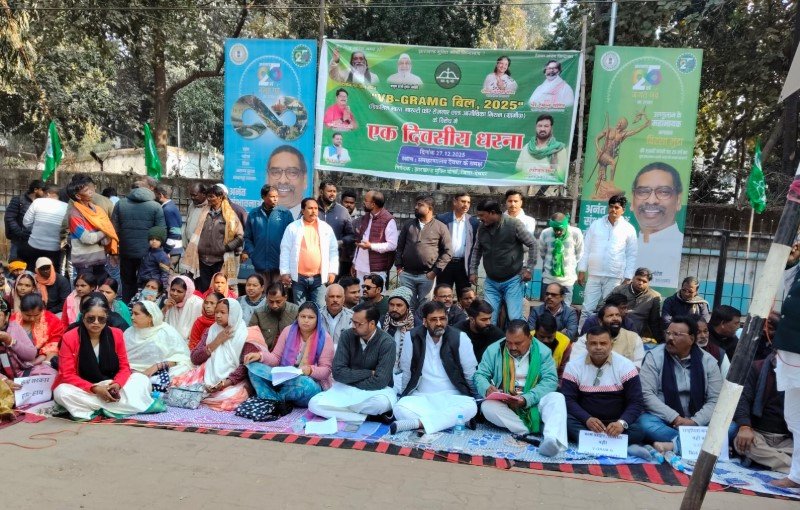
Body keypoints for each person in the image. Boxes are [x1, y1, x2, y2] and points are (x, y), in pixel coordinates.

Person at [53, 294, 159, 420]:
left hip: (110, 385)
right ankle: (123, 407)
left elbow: (124, 367)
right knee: (61, 392)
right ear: (83, 316)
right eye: (91, 319)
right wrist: (95, 389)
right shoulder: (70, 337)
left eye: (101, 319)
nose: (96, 323)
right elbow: (67, 374)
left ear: (107, 317)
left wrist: (117, 385)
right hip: (84, 388)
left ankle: (96, 409)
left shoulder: (116, 334)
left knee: (141, 379)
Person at [474, 320, 568, 457]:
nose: (512, 347)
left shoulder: (543, 352)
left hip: (534, 400)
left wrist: (526, 399)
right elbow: (480, 375)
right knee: (487, 406)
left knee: (557, 398)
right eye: (509, 342)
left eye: (518, 343)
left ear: (529, 338)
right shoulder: (494, 349)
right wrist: (486, 387)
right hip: (506, 403)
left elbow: (550, 381)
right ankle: (532, 429)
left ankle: (552, 440)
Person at [635, 316, 722, 453]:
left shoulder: (708, 361)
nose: (670, 338)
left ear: (691, 339)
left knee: (730, 427)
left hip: (698, 421)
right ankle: (699, 444)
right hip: (665, 420)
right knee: (644, 424)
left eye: (676, 334)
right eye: (668, 333)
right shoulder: (654, 357)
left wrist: (694, 422)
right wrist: (675, 418)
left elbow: (715, 400)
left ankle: (673, 445)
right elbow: (646, 394)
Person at [561, 327, 650, 459]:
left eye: (603, 343)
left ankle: (592, 443)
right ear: (586, 345)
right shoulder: (573, 366)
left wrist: (621, 423)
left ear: (611, 345)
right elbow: (568, 400)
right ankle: (621, 445)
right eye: (593, 343)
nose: (598, 347)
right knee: (565, 421)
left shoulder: (626, 366)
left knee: (639, 429)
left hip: (616, 423)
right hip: (586, 423)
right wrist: (587, 419)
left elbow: (636, 402)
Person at [392, 301, 478, 434]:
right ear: (425, 322)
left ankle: (418, 423)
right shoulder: (412, 337)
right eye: (433, 319)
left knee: (470, 406)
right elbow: (407, 370)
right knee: (400, 408)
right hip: (422, 397)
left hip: (452, 396)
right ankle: (452, 421)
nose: (439, 323)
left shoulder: (460, 337)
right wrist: (404, 394)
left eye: (442, 318)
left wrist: (475, 397)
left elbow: (470, 373)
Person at [307, 303, 396, 423]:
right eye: (352, 321)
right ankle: (366, 417)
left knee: (381, 404)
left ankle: (346, 412)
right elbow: (338, 373)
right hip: (346, 388)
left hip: (375, 391)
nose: (353, 326)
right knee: (314, 404)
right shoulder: (347, 336)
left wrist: (350, 379)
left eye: (358, 324)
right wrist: (369, 373)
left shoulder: (387, 342)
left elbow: (380, 381)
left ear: (372, 324)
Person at [173, 298, 263, 411]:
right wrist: (217, 341)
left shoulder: (246, 334)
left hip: (232, 380)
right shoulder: (211, 330)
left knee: (230, 398)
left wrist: (225, 383)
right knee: (183, 386)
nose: (218, 316)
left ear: (234, 313)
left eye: (222, 312)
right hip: (207, 374)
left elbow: (245, 366)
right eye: (216, 312)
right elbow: (195, 358)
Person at [245, 302, 334, 407]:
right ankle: (274, 399)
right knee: (253, 367)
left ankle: (273, 399)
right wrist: (260, 356)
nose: (306, 320)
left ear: (317, 319)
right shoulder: (288, 331)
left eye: (311, 317)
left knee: (306, 384)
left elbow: (326, 370)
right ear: (298, 317)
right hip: (285, 378)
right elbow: (276, 357)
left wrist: (310, 370)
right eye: (303, 316)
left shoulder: (325, 338)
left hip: (309, 384)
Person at [470, 199, 536, 324]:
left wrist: (529, 269)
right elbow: (477, 250)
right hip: (491, 281)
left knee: (514, 318)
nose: (480, 219)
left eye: (482, 215)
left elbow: (533, 243)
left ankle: (521, 335)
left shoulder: (514, 224)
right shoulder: (482, 228)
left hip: (512, 280)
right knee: (489, 318)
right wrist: (473, 271)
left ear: (493, 213)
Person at [768, 249, 800, 489]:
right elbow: (791, 293)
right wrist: (791, 264)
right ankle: (797, 475)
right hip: (791, 351)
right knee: (794, 416)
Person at [577, 194, 637, 317]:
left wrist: (628, 277)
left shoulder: (628, 229)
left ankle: (607, 330)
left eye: (616, 207)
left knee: (610, 310)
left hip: (614, 276)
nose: (613, 210)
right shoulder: (596, 225)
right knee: (587, 309)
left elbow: (631, 254)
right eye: (611, 206)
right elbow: (586, 248)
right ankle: (583, 330)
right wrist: (582, 270)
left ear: (623, 210)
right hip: (594, 274)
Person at [732, 352, 793, 473]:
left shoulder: (796, 373)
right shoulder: (756, 368)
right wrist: (744, 426)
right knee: (745, 445)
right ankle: (793, 467)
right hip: (757, 434)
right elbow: (742, 399)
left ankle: (771, 461)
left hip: (787, 439)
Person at [112, 177, 166, 303]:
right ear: (149, 189)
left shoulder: (120, 204)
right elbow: (161, 231)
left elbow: (114, 229)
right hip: (148, 253)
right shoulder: (156, 206)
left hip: (126, 251)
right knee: (147, 283)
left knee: (127, 283)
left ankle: (127, 308)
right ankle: (146, 308)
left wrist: (115, 251)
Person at [631, 162, 685, 289]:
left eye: (663, 192)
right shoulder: (625, 244)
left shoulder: (679, 245)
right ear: (632, 201)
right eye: (643, 192)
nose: (651, 200)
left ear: (678, 200)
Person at [182, 184, 244, 294]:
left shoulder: (230, 215)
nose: (209, 199)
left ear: (220, 197)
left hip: (220, 261)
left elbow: (240, 236)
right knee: (202, 291)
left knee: (218, 292)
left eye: (212, 196)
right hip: (202, 260)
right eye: (208, 196)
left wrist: (225, 248)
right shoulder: (203, 213)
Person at [396, 195, 452, 310]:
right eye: (416, 204)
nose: (416, 207)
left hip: (427, 275)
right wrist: (398, 267)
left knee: (425, 307)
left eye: (420, 205)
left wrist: (435, 272)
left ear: (430, 209)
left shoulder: (440, 227)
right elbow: (399, 247)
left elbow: (448, 251)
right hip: (407, 274)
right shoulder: (408, 225)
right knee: (407, 306)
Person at [279, 197, 339, 306]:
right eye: (310, 208)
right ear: (303, 210)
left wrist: (332, 271)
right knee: (300, 309)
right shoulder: (293, 227)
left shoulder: (326, 228)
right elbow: (285, 250)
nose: (314, 211)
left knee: (320, 308)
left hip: (319, 277)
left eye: (316, 208)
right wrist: (285, 272)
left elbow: (333, 250)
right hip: (298, 277)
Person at [124, 301, 192, 391]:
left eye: (136, 314)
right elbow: (122, 358)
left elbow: (182, 357)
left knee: (182, 368)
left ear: (150, 317)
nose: (132, 317)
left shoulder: (166, 331)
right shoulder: (129, 332)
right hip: (131, 372)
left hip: (160, 372)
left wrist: (157, 366)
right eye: (132, 313)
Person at [67, 177, 118, 281]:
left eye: (90, 189)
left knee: (100, 287)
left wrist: (105, 232)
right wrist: (105, 231)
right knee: (85, 287)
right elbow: (87, 238)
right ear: (78, 196)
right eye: (86, 190)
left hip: (100, 258)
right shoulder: (74, 215)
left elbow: (108, 233)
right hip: (84, 261)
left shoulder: (97, 210)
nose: (91, 191)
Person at [243, 184, 295, 285]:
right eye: (272, 196)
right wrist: (253, 253)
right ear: (263, 197)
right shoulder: (254, 214)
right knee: (261, 292)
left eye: (277, 196)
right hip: (260, 264)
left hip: (279, 264)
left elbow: (292, 238)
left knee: (277, 293)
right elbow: (248, 237)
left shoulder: (285, 213)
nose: (275, 199)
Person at [573, 304, 645, 368]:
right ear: (600, 321)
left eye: (618, 315)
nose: (615, 318)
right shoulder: (585, 340)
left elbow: (637, 366)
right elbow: (576, 365)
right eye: (610, 316)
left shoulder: (633, 338)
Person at [436, 191, 479, 296]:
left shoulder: (473, 222)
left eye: (468, 202)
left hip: (463, 265)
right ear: (455, 202)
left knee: (465, 297)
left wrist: (473, 271)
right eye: (463, 201)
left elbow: (475, 247)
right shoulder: (442, 219)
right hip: (445, 264)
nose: (466, 205)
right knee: (443, 296)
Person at [605, 267, 664, 342]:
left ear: (648, 283)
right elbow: (604, 306)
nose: (640, 283)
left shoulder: (654, 296)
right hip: (615, 327)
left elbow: (654, 321)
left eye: (644, 281)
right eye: (638, 279)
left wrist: (661, 341)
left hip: (637, 334)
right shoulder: (619, 290)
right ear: (633, 278)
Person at [352, 190, 397, 285]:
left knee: (375, 294)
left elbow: (392, 245)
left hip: (376, 270)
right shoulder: (366, 217)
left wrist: (371, 246)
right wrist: (354, 263)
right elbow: (360, 242)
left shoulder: (388, 220)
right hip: (360, 267)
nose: (363, 202)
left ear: (373, 204)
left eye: (366, 200)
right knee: (360, 294)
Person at [538, 212, 583, 305]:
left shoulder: (576, 233)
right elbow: (543, 253)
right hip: (549, 279)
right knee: (547, 308)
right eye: (555, 229)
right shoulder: (545, 233)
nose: (558, 232)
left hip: (567, 280)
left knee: (565, 308)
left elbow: (579, 253)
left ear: (566, 225)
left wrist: (568, 265)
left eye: (560, 229)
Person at [12, 293, 64, 370]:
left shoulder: (52, 320)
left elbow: (54, 344)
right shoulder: (13, 320)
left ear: (42, 310)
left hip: (43, 357)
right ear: (21, 310)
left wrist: (34, 362)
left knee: (53, 353)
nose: (32, 319)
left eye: (36, 315)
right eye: (28, 315)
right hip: (17, 357)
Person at [21, 183, 68, 269]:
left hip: (34, 245)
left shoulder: (37, 202)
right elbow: (66, 228)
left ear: (48, 193)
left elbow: (26, 222)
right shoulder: (66, 207)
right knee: (50, 272)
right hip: (54, 248)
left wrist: (37, 227)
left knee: (33, 270)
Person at [317, 182, 356, 279]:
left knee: (332, 286)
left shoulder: (342, 211)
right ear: (321, 192)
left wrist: (341, 242)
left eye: (334, 191)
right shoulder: (312, 207)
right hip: (313, 257)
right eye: (329, 191)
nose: (332, 194)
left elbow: (352, 235)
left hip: (334, 259)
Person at [0, 299, 43, 385]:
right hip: (2, 379)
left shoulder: (14, 327)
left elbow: (31, 355)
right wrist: (4, 380)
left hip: (20, 373)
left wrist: (10, 341)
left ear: (7, 316)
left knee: (49, 374)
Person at [382, 286, 417, 389]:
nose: (394, 309)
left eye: (399, 305)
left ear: (407, 307)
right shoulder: (381, 322)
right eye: (391, 305)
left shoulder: (416, 326)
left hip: (408, 374)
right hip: (384, 372)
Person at [514, 114, 567, 181]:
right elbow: (518, 168)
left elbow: (562, 175)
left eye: (546, 126)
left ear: (551, 128)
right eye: (540, 126)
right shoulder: (527, 147)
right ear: (536, 128)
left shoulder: (558, 149)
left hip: (549, 186)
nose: (542, 129)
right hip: (525, 184)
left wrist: (554, 165)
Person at [248, 283, 299, 350]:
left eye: (278, 302)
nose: (274, 305)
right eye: (271, 302)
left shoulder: (296, 311)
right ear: (266, 298)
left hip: (290, 351)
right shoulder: (258, 313)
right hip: (266, 351)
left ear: (285, 298)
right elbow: (251, 336)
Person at [5, 179, 44, 260]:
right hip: (18, 240)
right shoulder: (18, 200)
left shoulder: (42, 202)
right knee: (15, 263)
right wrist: (20, 233)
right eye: (42, 190)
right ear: (35, 190)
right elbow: (9, 217)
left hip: (35, 241)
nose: (45, 193)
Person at [266, 145, 308, 218]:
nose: (283, 181)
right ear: (267, 178)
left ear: (304, 179)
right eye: (275, 172)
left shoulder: (314, 219)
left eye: (292, 172)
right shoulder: (257, 217)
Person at [163, 275, 204, 342]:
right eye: (173, 290)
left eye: (179, 291)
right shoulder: (169, 302)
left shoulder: (197, 304)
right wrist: (165, 309)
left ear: (187, 292)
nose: (175, 294)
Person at [533, 314, 571, 381]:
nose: (546, 340)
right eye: (542, 337)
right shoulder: (526, 339)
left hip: (553, 380)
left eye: (549, 337)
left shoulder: (565, 343)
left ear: (555, 332)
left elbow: (563, 373)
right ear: (536, 331)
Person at [154, 183, 184, 267]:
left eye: (155, 194)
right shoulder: (171, 206)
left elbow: (175, 231)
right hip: (174, 249)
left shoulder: (167, 209)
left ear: (160, 195)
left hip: (172, 250)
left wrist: (166, 250)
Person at [137, 226, 171, 292]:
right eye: (152, 239)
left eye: (157, 240)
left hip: (154, 285)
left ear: (162, 241)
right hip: (143, 283)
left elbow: (165, 273)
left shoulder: (162, 256)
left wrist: (163, 289)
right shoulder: (147, 252)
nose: (154, 241)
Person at [183, 183, 208, 250]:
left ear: (203, 194)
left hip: (200, 248)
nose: (192, 198)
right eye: (191, 195)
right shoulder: (191, 205)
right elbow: (187, 224)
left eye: (195, 195)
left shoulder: (209, 208)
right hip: (188, 246)